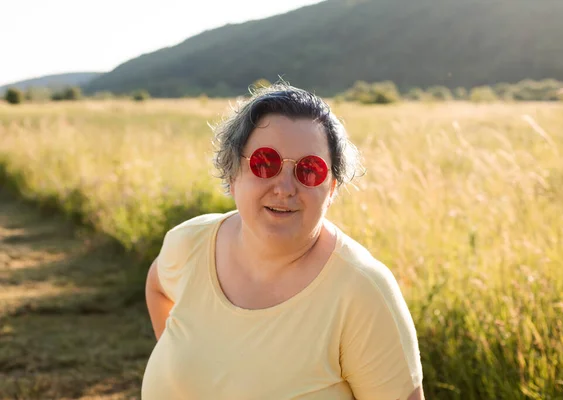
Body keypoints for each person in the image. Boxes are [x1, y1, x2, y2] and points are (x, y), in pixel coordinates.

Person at [142, 84, 425, 399]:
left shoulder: (361, 290)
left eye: (309, 169)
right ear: (233, 172)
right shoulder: (189, 243)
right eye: (266, 163)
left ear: (331, 188)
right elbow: (157, 288)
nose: (285, 188)